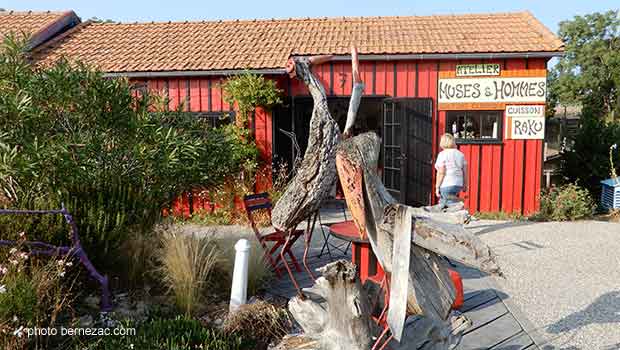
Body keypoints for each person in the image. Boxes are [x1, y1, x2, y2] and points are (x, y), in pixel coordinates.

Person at [435, 133, 467, 208]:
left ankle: (455, 215)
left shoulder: (442, 154)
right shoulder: (460, 154)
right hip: (458, 184)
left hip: (447, 183)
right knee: (450, 201)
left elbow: (441, 172)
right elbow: (465, 172)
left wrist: (437, 187)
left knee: (444, 204)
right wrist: (465, 185)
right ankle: (458, 210)